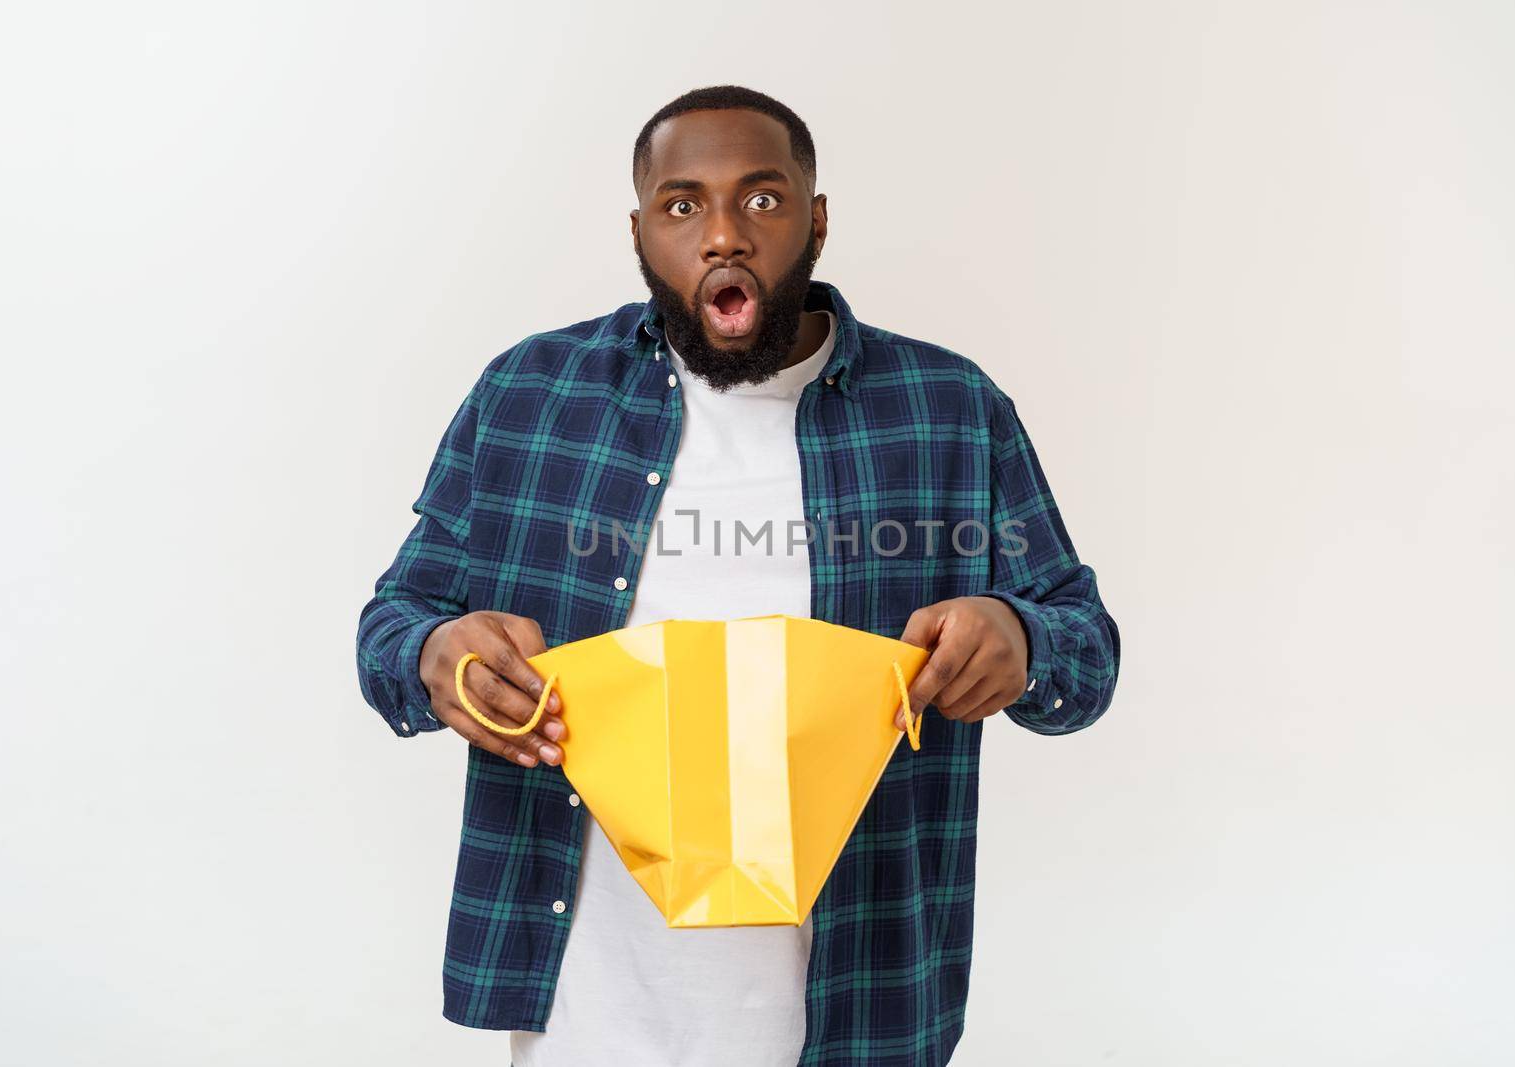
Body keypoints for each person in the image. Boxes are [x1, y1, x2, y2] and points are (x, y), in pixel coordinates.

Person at [355, 84, 1121, 1067]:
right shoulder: (528, 396)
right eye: (683, 206)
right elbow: (395, 620)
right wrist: (430, 652)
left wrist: (1022, 639)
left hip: (862, 1013)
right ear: (639, 231)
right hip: (586, 1028)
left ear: (817, 217)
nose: (723, 234)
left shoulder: (950, 408)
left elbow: (1083, 652)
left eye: (761, 199)